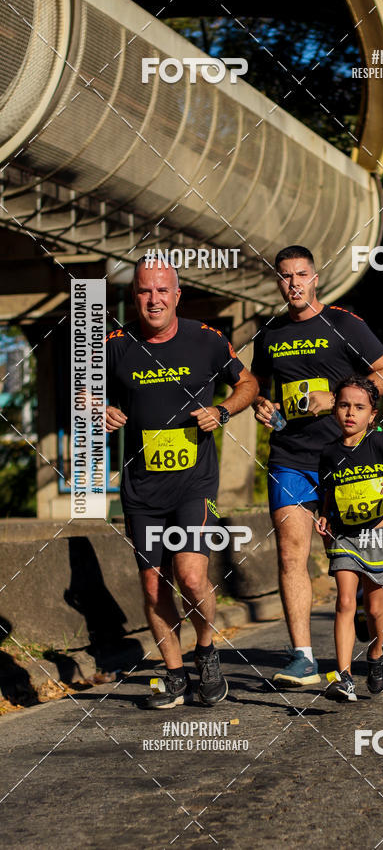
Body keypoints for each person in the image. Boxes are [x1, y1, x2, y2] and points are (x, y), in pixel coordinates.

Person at [105, 258, 258, 709]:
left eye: (161, 291)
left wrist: (225, 409)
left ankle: (206, 649)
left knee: (191, 577)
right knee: (153, 586)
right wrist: (99, 409)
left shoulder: (206, 340)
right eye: (144, 292)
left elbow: (247, 382)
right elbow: (85, 393)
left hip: (194, 484)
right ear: (135, 296)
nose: (153, 300)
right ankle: (174, 675)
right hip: (141, 489)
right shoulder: (117, 344)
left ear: (177, 295)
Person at [251, 245, 383, 685]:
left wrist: (338, 398)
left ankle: (372, 639)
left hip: (347, 462)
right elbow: (261, 387)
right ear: (277, 282)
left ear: (315, 278)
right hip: (290, 458)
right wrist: (263, 405)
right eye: (285, 276)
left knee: (356, 566)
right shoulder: (270, 333)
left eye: (301, 274)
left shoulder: (341, 322)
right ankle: (302, 656)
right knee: (290, 551)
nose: (294, 283)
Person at [315, 376, 383, 701]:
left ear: (372, 414)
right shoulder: (329, 453)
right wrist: (323, 515)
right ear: (335, 408)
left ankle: (377, 652)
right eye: (344, 405)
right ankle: (344, 676)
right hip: (345, 536)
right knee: (345, 602)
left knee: (374, 608)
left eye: (359, 407)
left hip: (378, 536)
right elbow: (328, 493)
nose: (351, 413)